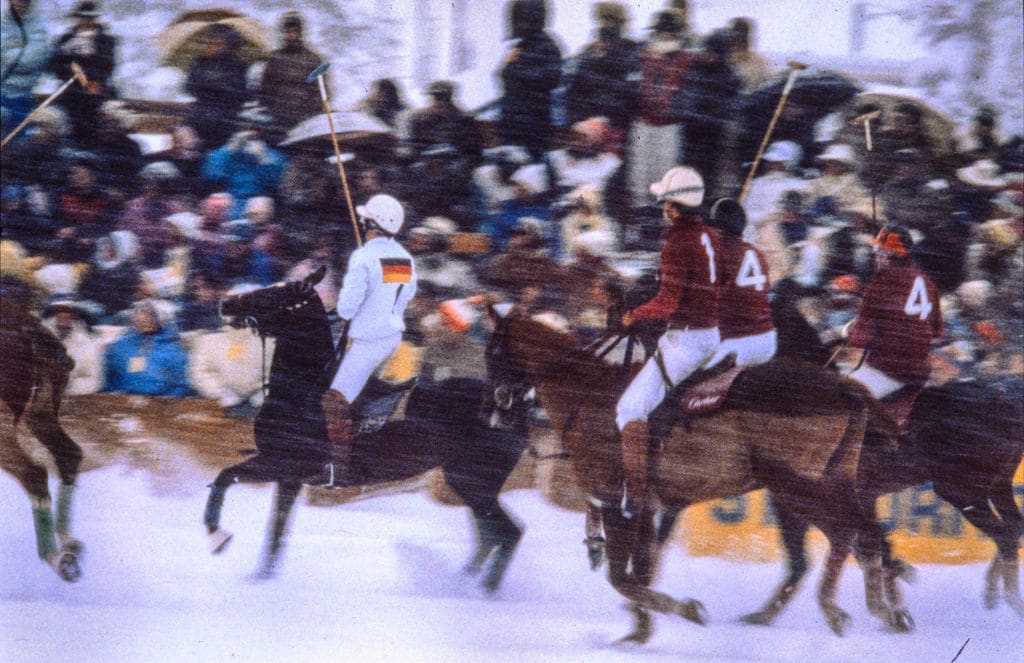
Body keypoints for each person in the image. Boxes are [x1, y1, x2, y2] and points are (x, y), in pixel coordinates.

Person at [616, 166, 719, 517]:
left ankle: (636, 495)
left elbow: (668, 302)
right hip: (714, 333)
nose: (663, 209)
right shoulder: (710, 235)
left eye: (666, 202)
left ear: (675, 207)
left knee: (629, 408)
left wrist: (636, 315)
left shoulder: (677, 241)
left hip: (689, 340)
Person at [320, 194, 417, 485]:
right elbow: (407, 294)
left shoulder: (363, 256)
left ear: (373, 224)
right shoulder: (405, 257)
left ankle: (339, 471)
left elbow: (348, 307)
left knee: (333, 401)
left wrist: (350, 310)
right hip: (393, 337)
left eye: (366, 221)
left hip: (368, 341)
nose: (362, 225)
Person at [846, 225, 943, 402]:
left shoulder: (878, 286)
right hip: (920, 371)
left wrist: (849, 330)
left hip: (889, 370)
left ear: (888, 256)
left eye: (879, 252)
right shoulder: (929, 284)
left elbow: (858, 340)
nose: (876, 257)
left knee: (842, 399)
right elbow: (936, 332)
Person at [704, 198, 775, 369]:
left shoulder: (714, 254)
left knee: (678, 383)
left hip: (734, 345)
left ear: (716, 228)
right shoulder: (757, 252)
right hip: (767, 341)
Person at [47, 1, 117, 147]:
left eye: (90, 18)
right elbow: (54, 65)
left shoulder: (106, 41)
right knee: (68, 136)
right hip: (71, 96)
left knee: (94, 136)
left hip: (95, 96)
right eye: (83, 17)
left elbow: (108, 67)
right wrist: (71, 60)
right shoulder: (65, 40)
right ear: (77, 19)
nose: (87, 21)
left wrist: (91, 75)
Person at [498, 0, 562, 160]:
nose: (519, 24)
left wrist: (514, 69)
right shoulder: (520, 46)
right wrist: (508, 67)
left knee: (530, 172)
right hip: (513, 122)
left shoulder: (549, 47)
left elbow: (550, 79)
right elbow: (504, 78)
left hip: (532, 124)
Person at [103, 299, 192, 397]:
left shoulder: (173, 349)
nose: (145, 319)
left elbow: (182, 384)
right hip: (122, 403)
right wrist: (112, 394)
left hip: (159, 405)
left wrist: (166, 400)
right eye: (139, 314)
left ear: (162, 319)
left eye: (151, 315)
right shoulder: (120, 345)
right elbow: (108, 375)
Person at [257, 12, 323, 138]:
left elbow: (319, 92)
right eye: (287, 32)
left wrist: (309, 115)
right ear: (283, 33)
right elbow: (265, 89)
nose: (291, 35)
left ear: (301, 34)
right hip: (277, 117)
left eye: (294, 32)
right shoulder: (274, 57)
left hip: (304, 119)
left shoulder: (313, 59)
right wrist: (272, 111)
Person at [183, 23, 249, 149]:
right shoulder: (198, 62)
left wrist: (210, 86)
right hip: (199, 117)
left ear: (228, 46)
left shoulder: (239, 65)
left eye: (217, 43)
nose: (209, 45)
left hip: (224, 121)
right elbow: (189, 87)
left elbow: (240, 94)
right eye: (210, 42)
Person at [1, 0, 50, 134]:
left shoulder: (38, 28)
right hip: (2, 90)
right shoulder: (2, 23)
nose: (20, 2)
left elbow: (35, 58)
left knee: (17, 138)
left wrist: (8, 52)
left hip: (23, 93)